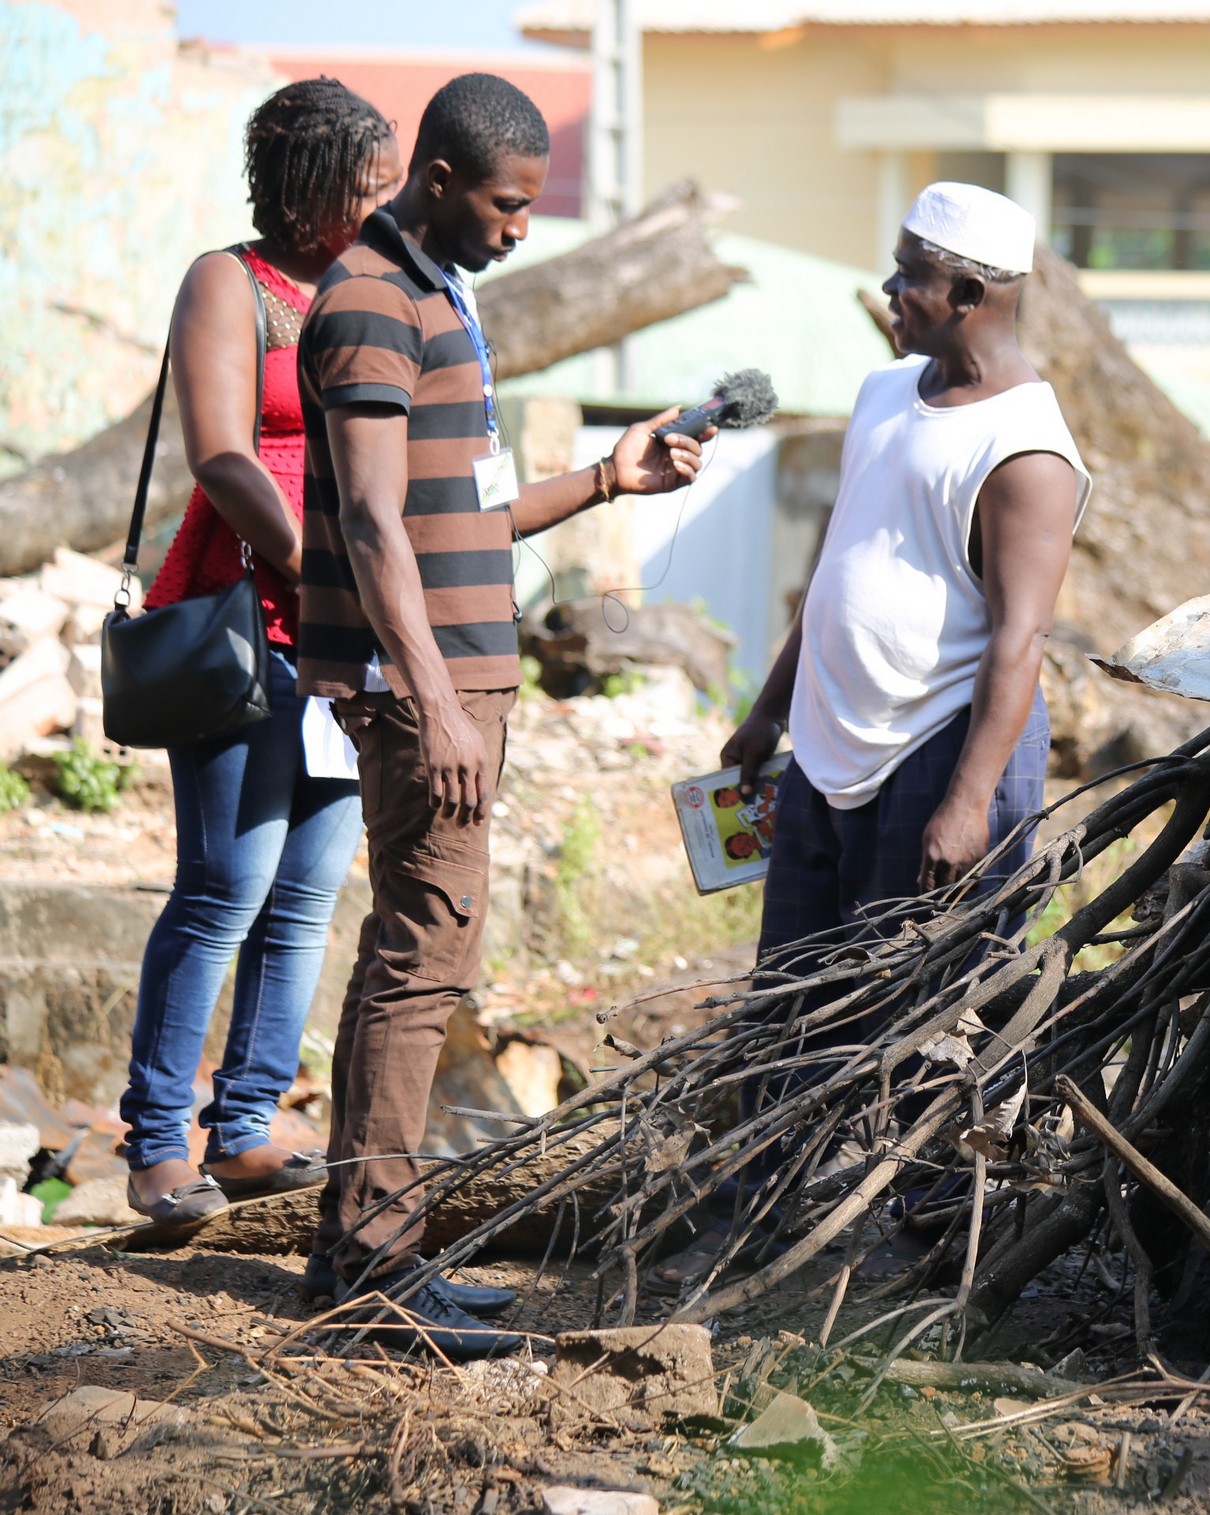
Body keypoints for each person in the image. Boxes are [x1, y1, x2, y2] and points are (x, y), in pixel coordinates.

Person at [294, 73, 711, 1358]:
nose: (523, 226)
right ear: (437, 182)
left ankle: (366, 1251)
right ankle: (371, 1267)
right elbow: (368, 523)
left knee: (427, 957)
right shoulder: (371, 299)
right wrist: (430, 694)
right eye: (508, 203)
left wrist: (603, 479)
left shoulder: (439, 297)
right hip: (427, 688)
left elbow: (455, 514)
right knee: (422, 960)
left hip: (462, 678)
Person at [654, 182, 1090, 1284]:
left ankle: (941, 1243)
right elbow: (835, 567)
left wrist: (965, 801)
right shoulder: (885, 391)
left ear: (971, 293)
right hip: (831, 742)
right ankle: (759, 1216)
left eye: (909, 276)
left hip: (942, 750)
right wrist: (766, 710)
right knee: (792, 995)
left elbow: (1017, 645)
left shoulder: (1028, 450)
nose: (890, 292)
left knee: (930, 1010)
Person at [122, 79, 403, 1227]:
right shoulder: (230, 285)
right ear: (311, 186)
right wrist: (311, 568)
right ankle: (153, 1144)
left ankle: (241, 1128)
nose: (390, 206)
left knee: (303, 900)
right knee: (222, 890)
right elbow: (221, 456)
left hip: (347, 640)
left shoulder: (371, 291)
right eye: (373, 186)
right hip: (251, 626)